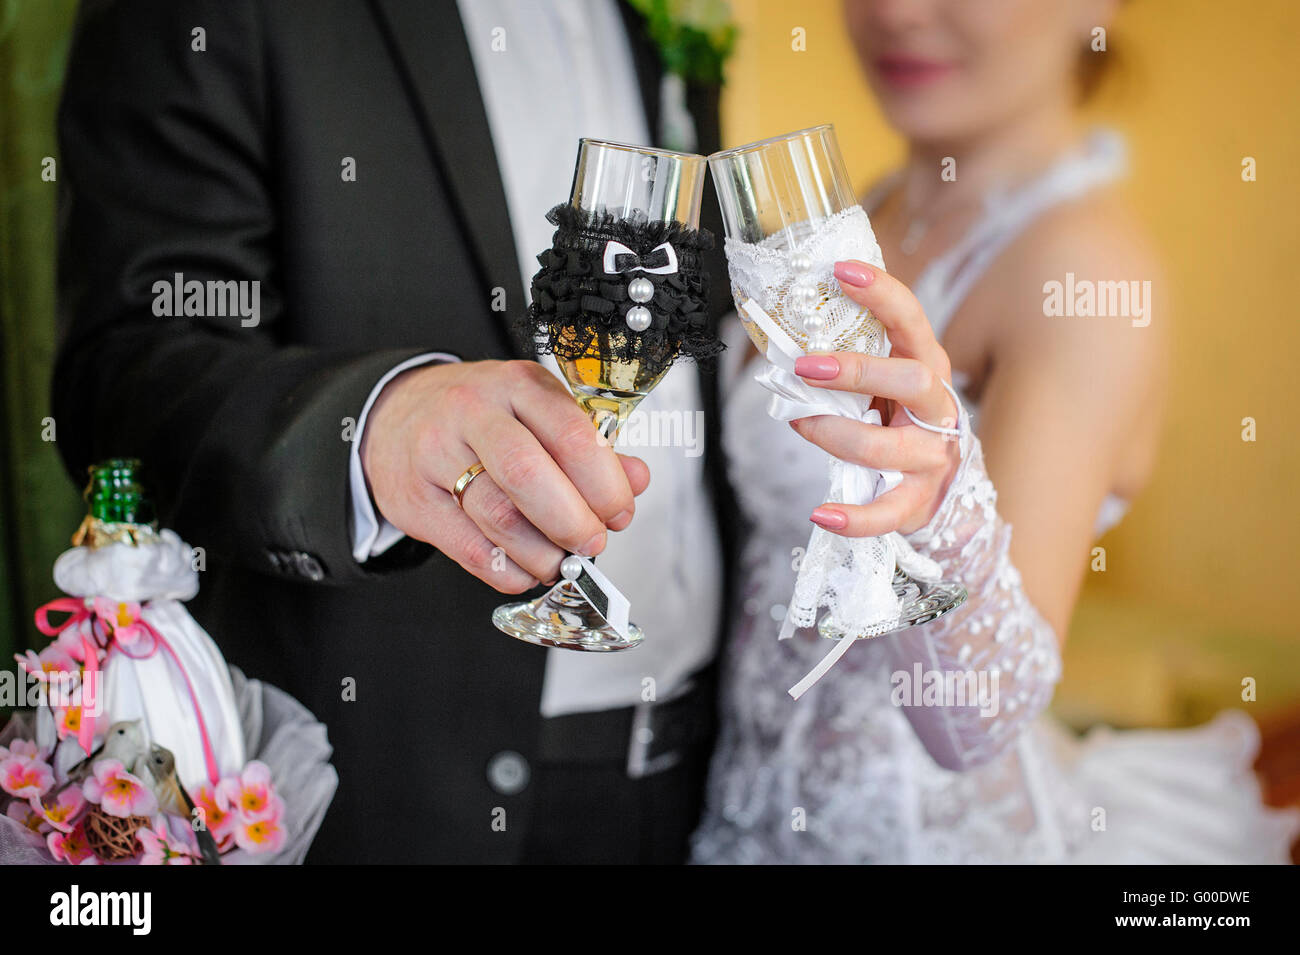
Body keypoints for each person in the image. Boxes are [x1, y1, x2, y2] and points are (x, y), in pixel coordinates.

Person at [53, 0, 736, 863]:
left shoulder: (669, 19)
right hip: (394, 790)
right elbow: (123, 372)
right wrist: (373, 422)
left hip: (710, 773)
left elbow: (688, 314)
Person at [691, 0, 1300, 863]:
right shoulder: (876, 205)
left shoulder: (1080, 269)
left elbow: (975, 716)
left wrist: (933, 508)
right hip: (742, 808)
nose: (898, 12)